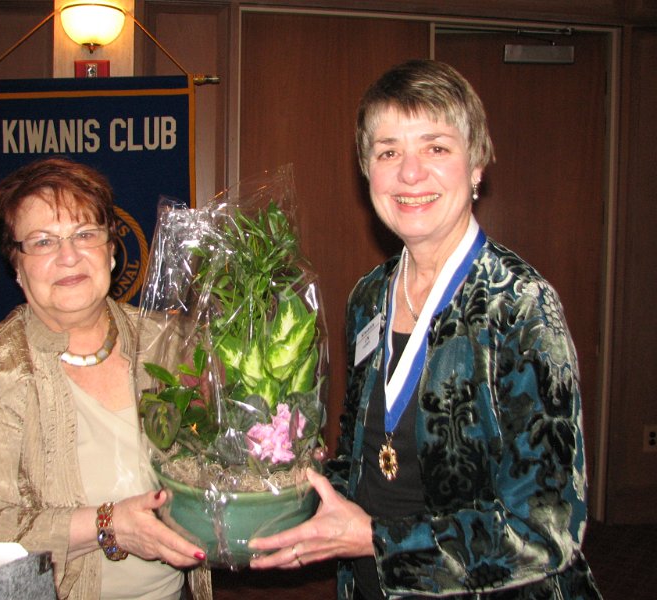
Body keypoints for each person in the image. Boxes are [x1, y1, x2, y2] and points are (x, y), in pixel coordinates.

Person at [249, 59, 601, 599]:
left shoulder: (521, 307)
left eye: (436, 147)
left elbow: (547, 532)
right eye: (388, 151)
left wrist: (376, 539)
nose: (409, 173)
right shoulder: (368, 296)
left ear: (477, 163)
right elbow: (360, 454)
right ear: (367, 171)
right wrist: (279, 488)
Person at [0, 157, 211, 600]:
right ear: (17, 266)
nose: (69, 256)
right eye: (43, 242)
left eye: (85, 234)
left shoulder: (167, 340)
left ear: (112, 249)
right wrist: (109, 525)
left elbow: (210, 454)